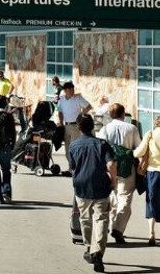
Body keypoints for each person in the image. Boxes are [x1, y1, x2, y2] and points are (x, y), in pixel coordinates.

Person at [67, 114, 116, 272]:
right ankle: (98, 252)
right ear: (93, 127)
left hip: (81, 186)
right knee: (101, 219)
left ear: (79, 128)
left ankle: (89, 248)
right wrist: (113, 181)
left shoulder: (74, 145)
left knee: (85, 218)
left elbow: (72, 167)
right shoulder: (102, 144)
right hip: (101, 186)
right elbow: (111, 165)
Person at [97, 103, 141, 243]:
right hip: (127, 168)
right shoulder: (132, 128)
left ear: (110, 115)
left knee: (113, 196)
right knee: (125, 198)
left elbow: (100, 149)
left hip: (109, 167)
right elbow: (138, 148)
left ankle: (112, 225)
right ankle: (118, 229)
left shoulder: (104, 129)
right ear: (123, 114)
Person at [133, 114, 160, 246]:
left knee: (151, 201)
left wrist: (132, 153)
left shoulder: (150, 134)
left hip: (153, 172)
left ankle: (151, 233)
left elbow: (138, 153)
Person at [58, 82, 93, 167]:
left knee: (75, 148)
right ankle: (72, 167)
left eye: (73, 89)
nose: (73, 91)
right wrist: (61, 122)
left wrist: (81, 115)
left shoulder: (78, 98)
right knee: (67, 149)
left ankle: (75, 168)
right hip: (66, 126)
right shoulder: (61, 99)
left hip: (75, 126)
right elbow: (60, 112)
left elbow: (88, 106)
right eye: (71, 89)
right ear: (66, 90)